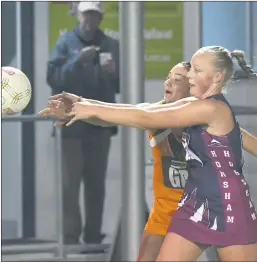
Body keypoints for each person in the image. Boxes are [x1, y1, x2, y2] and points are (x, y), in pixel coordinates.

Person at [40, 57, 257, 261]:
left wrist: (85, 106)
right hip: (167, 216)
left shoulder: (212, 118)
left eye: (178, 79)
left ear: (192, 87)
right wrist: (82, 104)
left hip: (215, 208)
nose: (169, 82)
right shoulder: (157, 113)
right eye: (168, 77)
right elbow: (128, 113)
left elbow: (250, 143)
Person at [46, 1, 120, 244]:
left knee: (96, 185)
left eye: (94, 16)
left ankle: (92, 237)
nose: (90, 20)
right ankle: (69, 239)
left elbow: (121, 85)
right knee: (70, 186)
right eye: (86, 15)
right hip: (70, 127)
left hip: (99, 125)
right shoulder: (65, 43)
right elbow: (54, 79)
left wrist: (114, 73)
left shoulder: (111, 45)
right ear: (78, 16)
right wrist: (77, 61)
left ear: (100, 18)